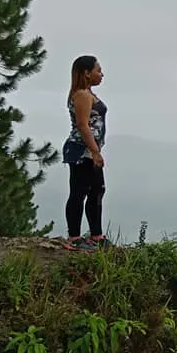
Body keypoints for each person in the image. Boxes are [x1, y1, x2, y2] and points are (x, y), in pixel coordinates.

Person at [62, 55, 109, 250]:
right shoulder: (81, 94)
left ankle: (96, 236)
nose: (102, 74)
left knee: (97, 190)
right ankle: (74, 238)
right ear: (86, 73)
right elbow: (82, 125)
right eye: (98, 70)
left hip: (89, 151)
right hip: (82, 151)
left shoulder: (88, 93)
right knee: (79, 192)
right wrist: (95, 151)